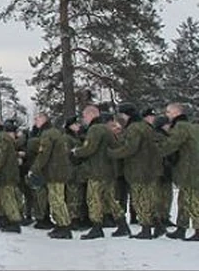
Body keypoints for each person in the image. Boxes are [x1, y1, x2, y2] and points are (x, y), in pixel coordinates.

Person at [71, 105, 128, 240]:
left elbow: (90, 148)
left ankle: (97, 227)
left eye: (84, 116)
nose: (84, 119)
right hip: (108, 170)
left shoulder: (95, 129)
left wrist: (76, 152)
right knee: (110, 199)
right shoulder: (106, 129)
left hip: (96, 170)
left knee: (93, 198)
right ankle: (122, 224)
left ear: (91, 114)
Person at [108, 107, 161, 239]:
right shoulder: (146, 127)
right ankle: (158, 226)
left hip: (138, 169)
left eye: (122, 115)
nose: (121, 118)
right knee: (149, 198)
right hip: (150, 168)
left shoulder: (134, 129)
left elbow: (130, 148)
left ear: (128, 115)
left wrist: (112, 153)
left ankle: (146, 229)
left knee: (140, 199)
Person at [28, 112, 72, 239]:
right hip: (59, 170)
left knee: (56, 200)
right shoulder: (56, 132)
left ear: (44, 119)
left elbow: (43, 155)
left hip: (54, 172)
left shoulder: (47, 134)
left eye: (37, 118)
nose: (35, 121)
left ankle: (64, 226)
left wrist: (34, 169)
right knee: (57, 199)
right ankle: (61, 224)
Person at [159, 103, 199, 241]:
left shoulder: (180, 127)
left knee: (192, 200)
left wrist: (156, 151)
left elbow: (171, 144)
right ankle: (181, 228)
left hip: (189, 170)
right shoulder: (192, 126)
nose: (166, 115)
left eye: (168, 112)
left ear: (176, 113)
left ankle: (197, 230)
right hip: (190, 169)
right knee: (183, 199)